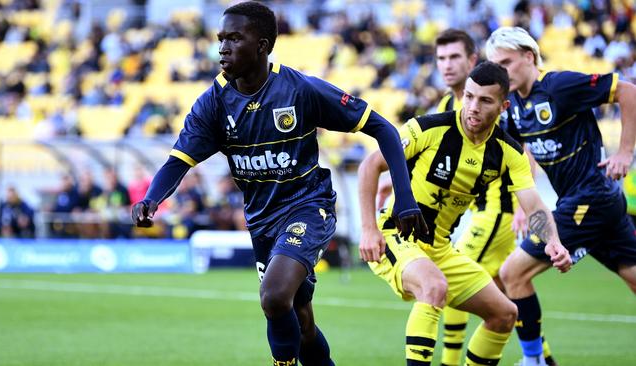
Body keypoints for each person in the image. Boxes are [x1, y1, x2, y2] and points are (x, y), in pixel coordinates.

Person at [130, 2, 426, 365]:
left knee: (272, 296)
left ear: (263, 45)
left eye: (235, 38)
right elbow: (178, 161)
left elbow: (382, 128)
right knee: (301, 324)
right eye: (221, 38)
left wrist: (406, 199)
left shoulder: (300, 90)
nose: (223, 47)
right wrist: (151, 199)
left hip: (308, 205)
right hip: (261, 221)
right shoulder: (213, 104)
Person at [358, 61, 571, 366]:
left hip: (440, 248)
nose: (473, 107)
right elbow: (370, 166)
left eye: (485, 100)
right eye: (469, 96)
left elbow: (533, 205)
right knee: (433, 287)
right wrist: (369, 229)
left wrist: (552, 241)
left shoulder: (508, 152)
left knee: (504, 314)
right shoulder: (428, 128)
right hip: (395, 235)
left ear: (503, 106)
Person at [486, 26, 636, 366]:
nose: (501, 72)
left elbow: (628, 91)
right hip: (596, 203)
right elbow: (519, 159)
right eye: (495, 65)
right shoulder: (513, 108)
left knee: (512, 273)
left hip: (590, 198)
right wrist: (524, 208)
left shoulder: (559, 86)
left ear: (529, 56)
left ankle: (535, 360)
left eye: (506, 62)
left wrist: (625, 153)